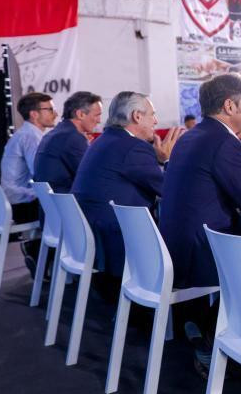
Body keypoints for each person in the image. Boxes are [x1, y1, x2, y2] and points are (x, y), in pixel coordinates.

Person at [160, 73, 241, 289]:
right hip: (203, 254)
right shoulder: (223, 141)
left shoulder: (190, 137)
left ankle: (216, 318)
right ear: (230, 106)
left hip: (177, 249)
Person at [72, 92, 182, 277]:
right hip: (117, 241)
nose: (155, 121)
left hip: (91, 234)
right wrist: (168, 159)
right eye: (152, 114)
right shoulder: (134, 147)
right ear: (137, 116)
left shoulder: (104, 140)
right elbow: (169, 191)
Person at [1, 92, 55, 273]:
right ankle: (44, 256)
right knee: (69, 209)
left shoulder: (24, 133)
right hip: (23, 203)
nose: (55, 113)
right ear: (34, 114)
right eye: (50, 109)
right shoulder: (31, 137)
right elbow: (41, 173)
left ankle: (40, 251)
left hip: (15, 199)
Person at [34, 91, 103, 193]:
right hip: (69, 204)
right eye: (97, 115)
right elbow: (93, 176)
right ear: (80, 114)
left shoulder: (55, 133)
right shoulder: (72, 138)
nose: (99, 120)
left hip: (53, 205)